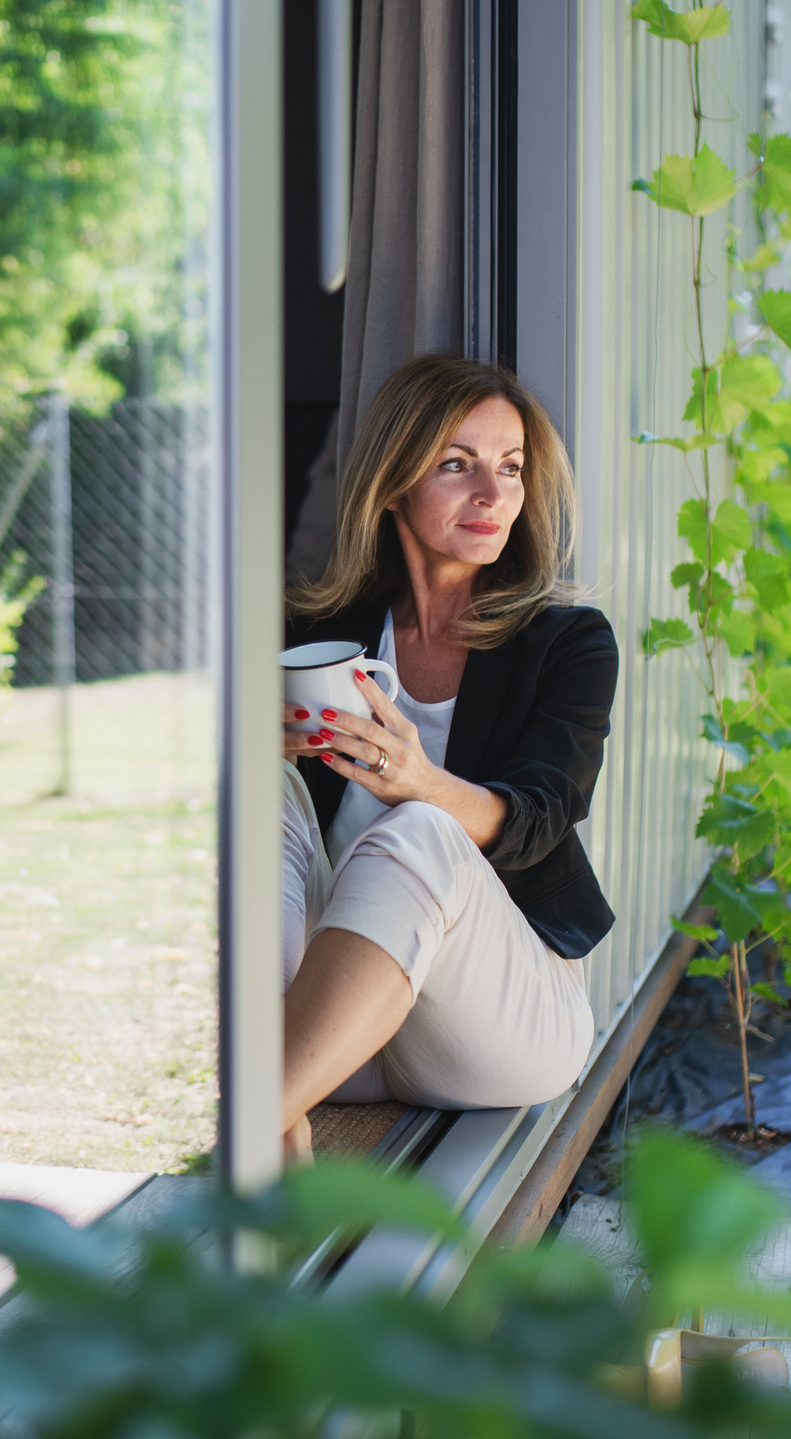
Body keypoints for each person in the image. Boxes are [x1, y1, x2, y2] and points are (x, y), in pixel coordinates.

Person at [281, 353, 618, 1162]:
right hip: (340, 1028)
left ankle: (256, 1114)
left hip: (500, 1026)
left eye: (510, 468)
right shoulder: (316, 637)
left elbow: (541, 818)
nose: (494, 494)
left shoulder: (568, 642)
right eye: (456, 465)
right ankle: (280, 1086)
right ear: (394, 480)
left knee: (424, 829)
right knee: (250, 786)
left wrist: (420, 783)